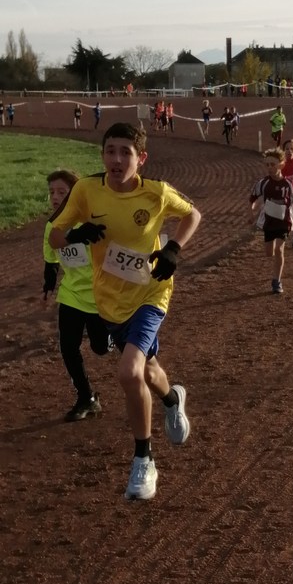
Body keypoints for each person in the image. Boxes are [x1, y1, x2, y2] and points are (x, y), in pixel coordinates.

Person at [49, 122, 202, 501]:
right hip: (110, 302)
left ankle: (143, 461)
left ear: (141, 158)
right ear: (102, 155)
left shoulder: (157, 193)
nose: (116, 159)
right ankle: (173, 400)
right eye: (110, 151)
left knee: (129, 370)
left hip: (151, 293)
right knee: (147, 371)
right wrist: (75, 235)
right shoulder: (86, 190)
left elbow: (192, 215)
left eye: (126, 152)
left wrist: (173, 249)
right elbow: (54, 235)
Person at [43, 170, 111, 421]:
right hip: (71, 295)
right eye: (51, 192)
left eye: (61, 192)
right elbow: (51, 257)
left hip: (99, 297)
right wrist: (49, 282)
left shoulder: (91, 223)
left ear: (76, 195)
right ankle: (86, 398)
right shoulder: (52, 226)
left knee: (100, 348)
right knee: (68, 347)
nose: (55, 197)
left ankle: (111, 338)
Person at [248, 147, 293, 294]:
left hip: (284, 221)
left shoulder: (289, 184)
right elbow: (252, 199)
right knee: (269, 253)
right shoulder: (263, 183)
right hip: (269, 221)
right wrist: (251, 213)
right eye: (267, 165)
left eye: (272, 164)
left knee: (279, 249)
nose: (269, 168)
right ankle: (276, 275)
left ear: (281, 165)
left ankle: (276, 281)